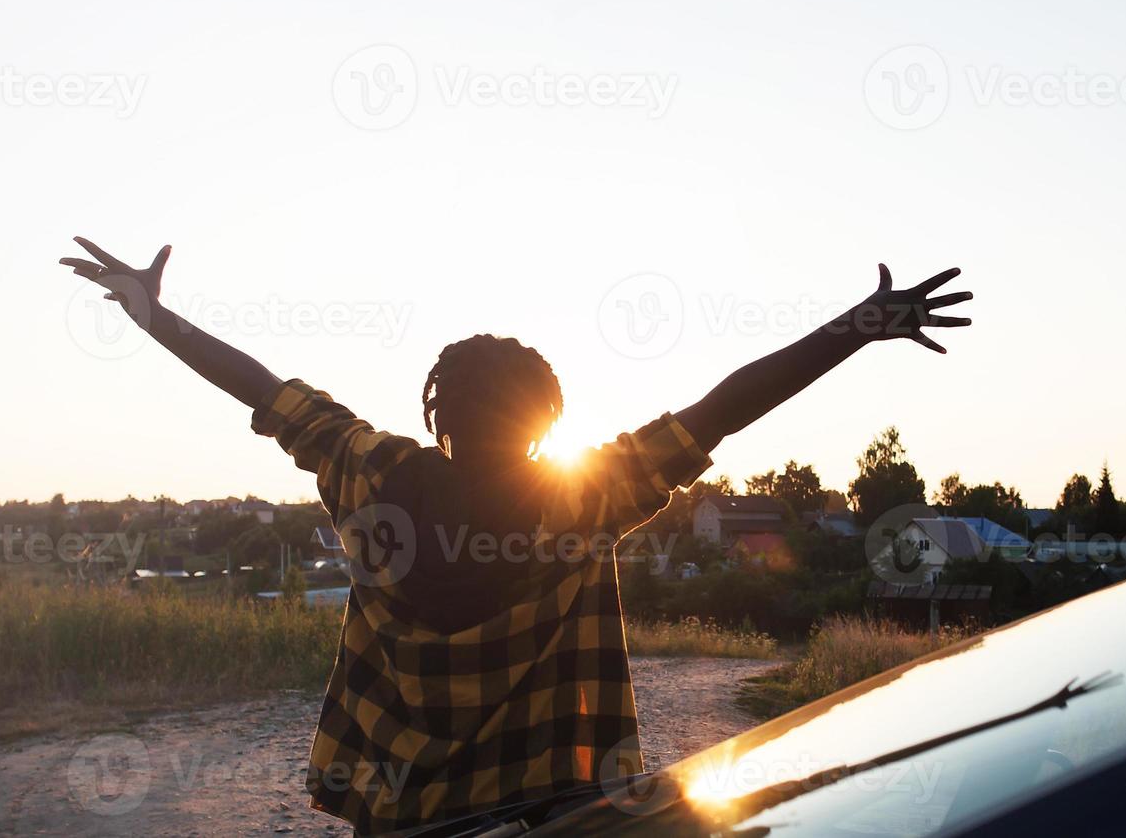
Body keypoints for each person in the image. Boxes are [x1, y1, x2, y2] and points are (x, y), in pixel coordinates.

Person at [60, 238, 972, 834]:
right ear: (544, 424)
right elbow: (724, 409)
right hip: (559, 808)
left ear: (437, 410)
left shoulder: (369, 472)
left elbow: (258, 386)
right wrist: (859, 327)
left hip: (399, 811)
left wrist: (152, 314)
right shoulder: (582, 499)